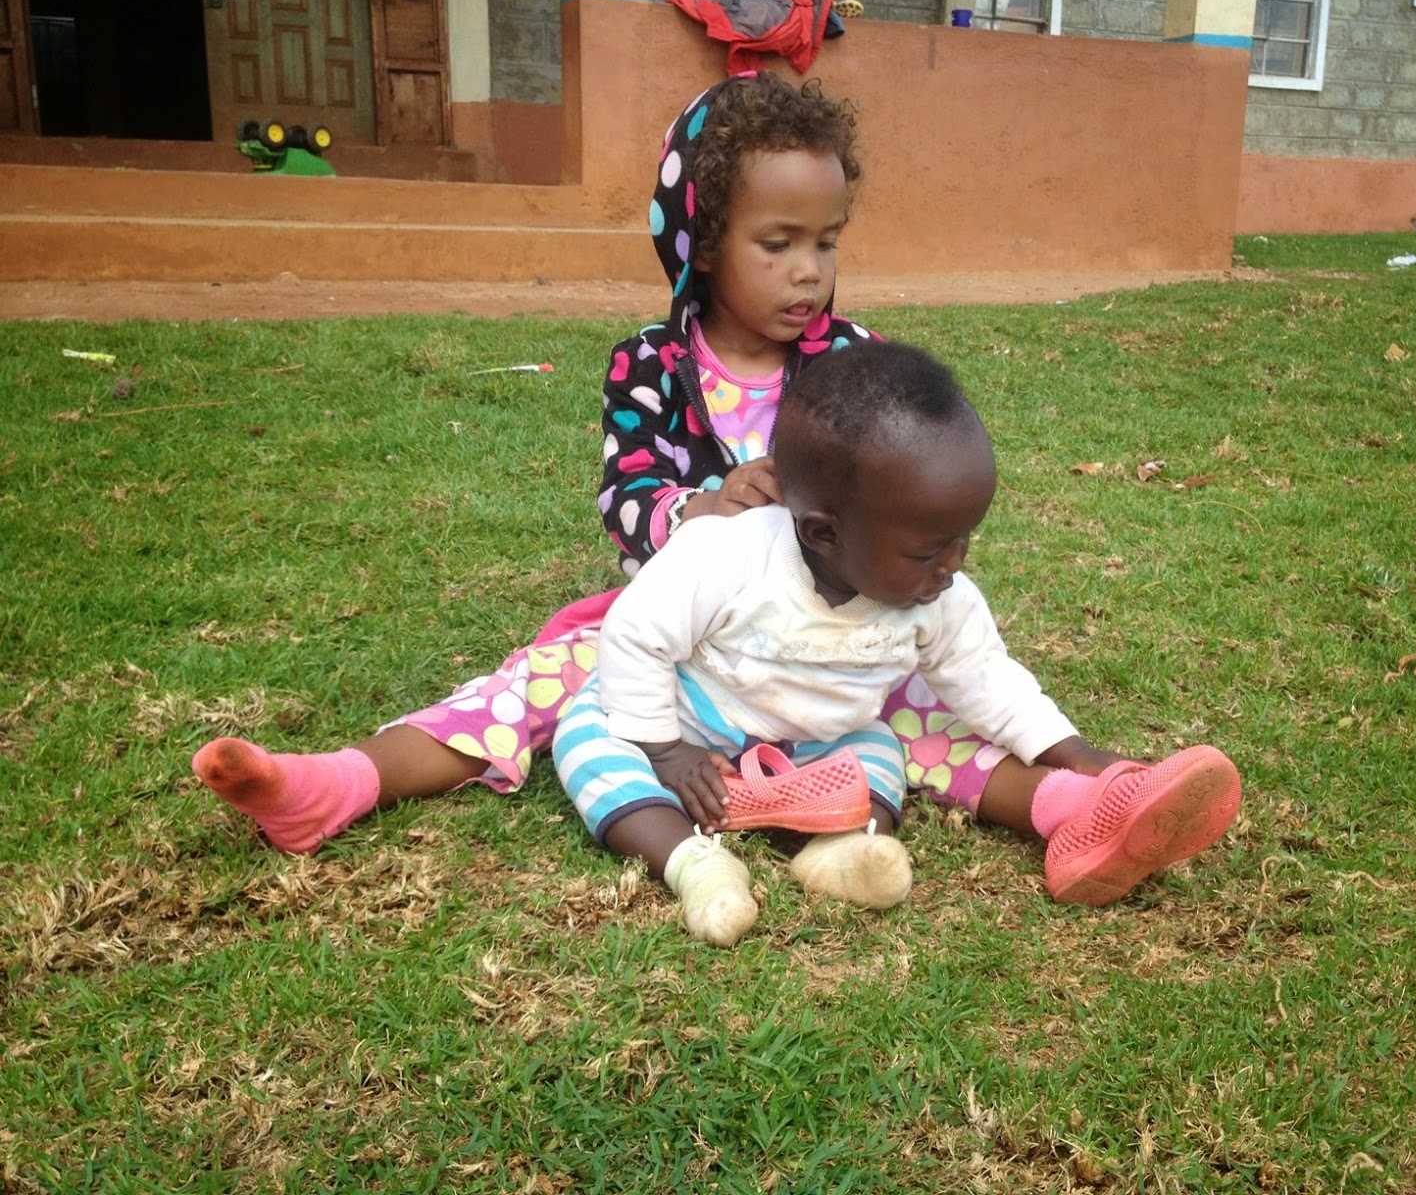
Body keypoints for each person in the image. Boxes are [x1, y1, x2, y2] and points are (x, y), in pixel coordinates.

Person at [190, 70, 1235, 901]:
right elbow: (626, 497)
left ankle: (1082, 806)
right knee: (536, 684)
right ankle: (338, 783)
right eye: (776, 244)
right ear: (698, 240)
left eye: (826, 243)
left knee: (933, 711)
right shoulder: (649, 366)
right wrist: (695, 507)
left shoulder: (854, 363)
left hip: (837, 647)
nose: (807, 271)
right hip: (691, 642)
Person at [553, 340, 1241, 946]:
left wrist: (1074, 753)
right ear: (823, 533)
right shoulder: (727, 555)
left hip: (816, 744)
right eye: (928, 551)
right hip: (693, 718)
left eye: (963, 539)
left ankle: (845, 853)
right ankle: (694, 866)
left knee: (879, 753)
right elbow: (635, 634)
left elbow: (988, 679)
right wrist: (664, 749)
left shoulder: (939, 598)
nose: (953, 566)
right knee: (587, 736)